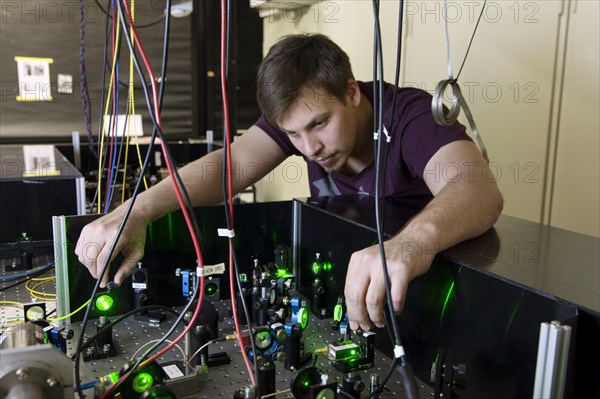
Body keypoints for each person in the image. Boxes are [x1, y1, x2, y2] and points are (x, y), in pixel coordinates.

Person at [75, 33, 503, 332]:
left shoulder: (407, 115)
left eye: (320, 124)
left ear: (352, 92)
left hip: (426, 302)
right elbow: (231, 166)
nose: (309, 147)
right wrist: (135, 211)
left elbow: (478, 188)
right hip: (345, 298)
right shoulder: (300, 121)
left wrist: (409, 243)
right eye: (293, 134)